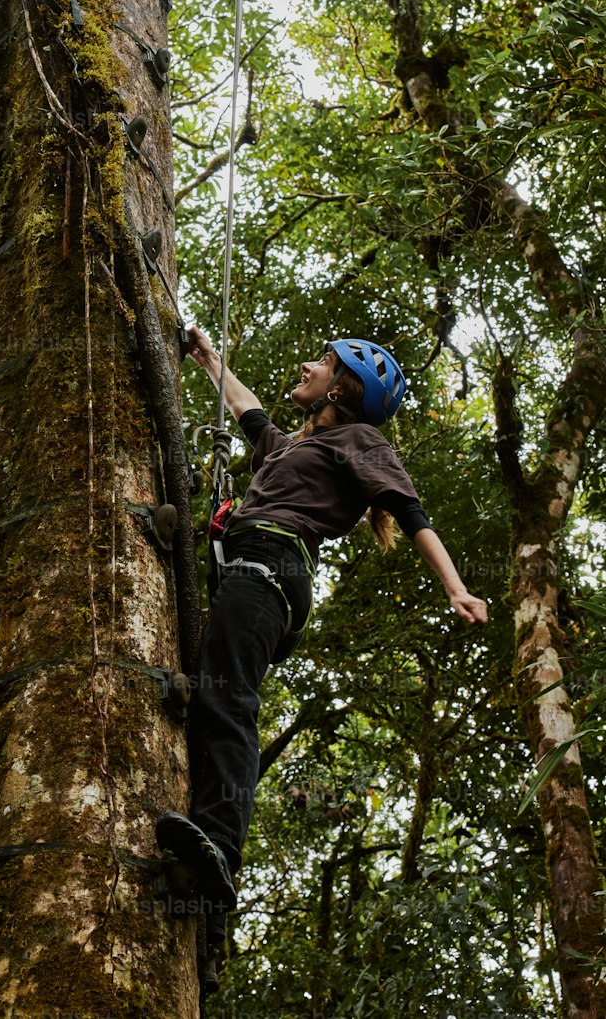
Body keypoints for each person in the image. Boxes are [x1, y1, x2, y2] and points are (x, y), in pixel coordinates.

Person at [156, 328, 488, 927]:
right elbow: (245, 407)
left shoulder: (359, 439)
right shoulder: (291, 448)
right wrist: (208, 358)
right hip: (248, 572)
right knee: (212, 693)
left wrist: (456, 586)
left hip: (271, 569)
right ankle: (208, 841)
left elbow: (410, 512)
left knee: (228, 699)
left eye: (323, 361)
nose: (308, 363)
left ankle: (220, 849)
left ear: (343, 386)